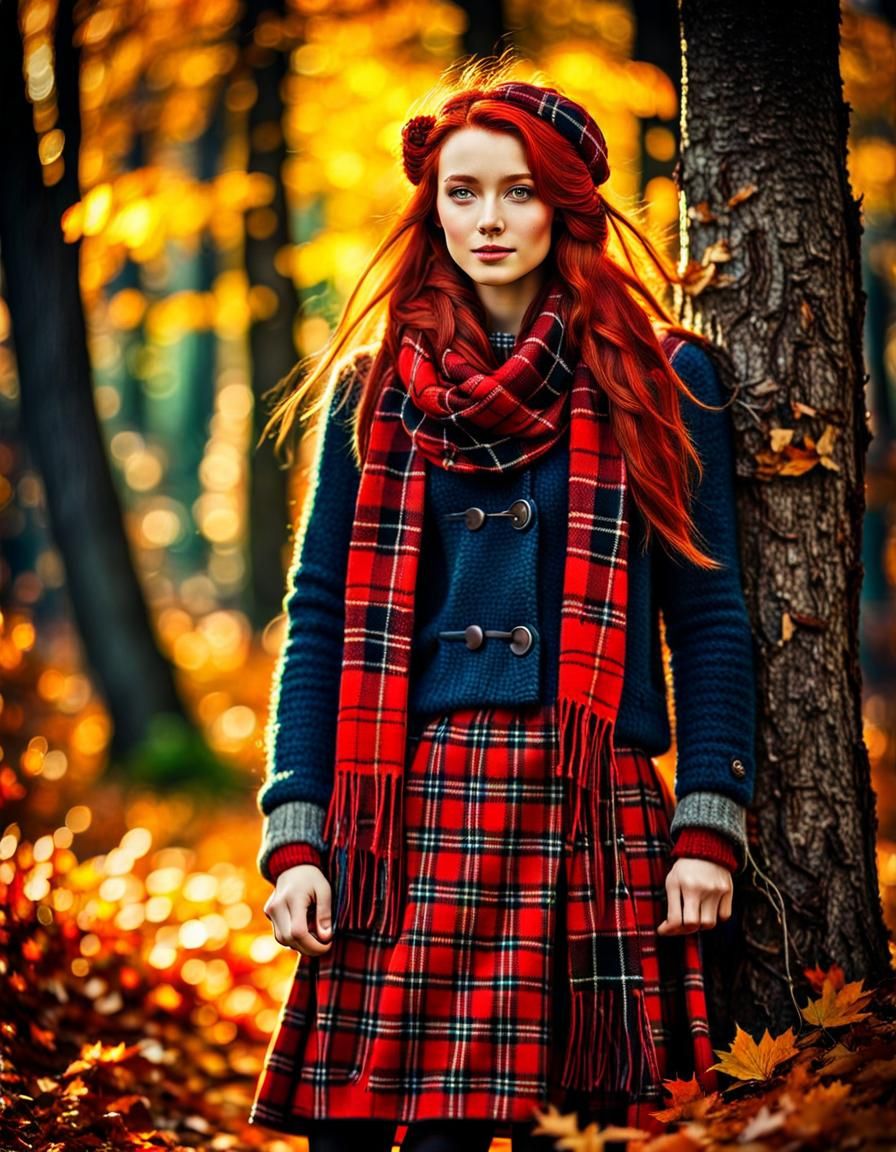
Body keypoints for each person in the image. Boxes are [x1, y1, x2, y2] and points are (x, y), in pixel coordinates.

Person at [247, 57, 757, 1152]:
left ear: (563, 202)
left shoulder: (665, 378)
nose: (488, 218)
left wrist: (707, 819)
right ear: (430, 206)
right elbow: (321, 614)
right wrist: (294, 831)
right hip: (407, 812)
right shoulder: (372, 391)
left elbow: (706, 619)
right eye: (462, 191)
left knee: (560, 1134)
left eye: (518, 191)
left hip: (583, 805)